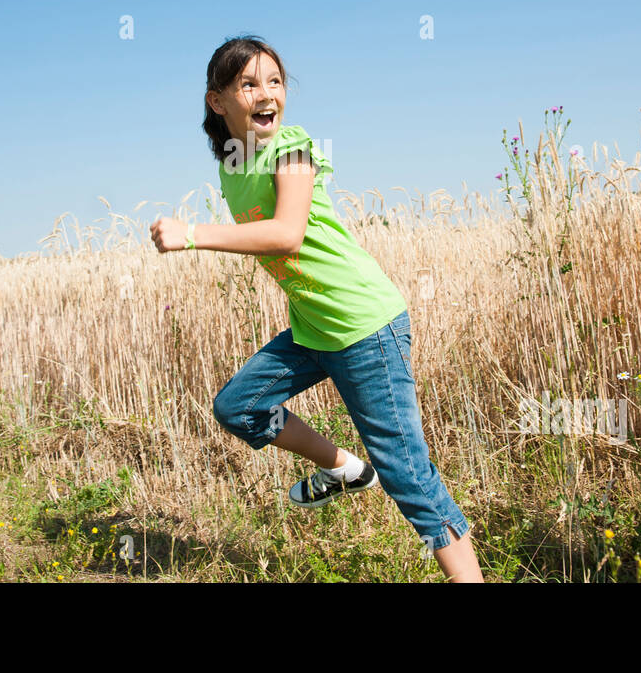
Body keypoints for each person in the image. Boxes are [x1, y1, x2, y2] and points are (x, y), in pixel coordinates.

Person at [150, 35, 484, 582]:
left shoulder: (294, 148)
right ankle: (344, 469)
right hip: (313, 328)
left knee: (408, 476)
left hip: (363, 325)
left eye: (275, 82)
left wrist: (192, 235)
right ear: (218, 101)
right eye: (249, 83)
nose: (267, 94)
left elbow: (286, 235)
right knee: (240, 407)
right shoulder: (232, 168)